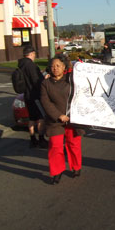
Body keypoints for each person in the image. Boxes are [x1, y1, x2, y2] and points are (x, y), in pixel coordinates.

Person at [40, 54, 85, 184]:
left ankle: (76, 167)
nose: (55, 68)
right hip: (55, 121)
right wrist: (59, 116)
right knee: (55, 146)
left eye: (58, 65)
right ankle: (57, 171)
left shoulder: (71, 79)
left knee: (74, 144)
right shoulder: (45, 83)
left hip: (72, 119)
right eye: (52, 66)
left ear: (64, 67)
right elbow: (45, 102)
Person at [18, 45, 48, 148]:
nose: (35, 56)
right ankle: (41, 138)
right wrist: (44, 78)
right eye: (34, 54)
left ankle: (32, 139)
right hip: (35, 95)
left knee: (31, 118)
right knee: (40, 118)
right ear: (31, 54)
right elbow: (37, 81)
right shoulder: (31, 65)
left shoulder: (21, 65)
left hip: (27, 95)